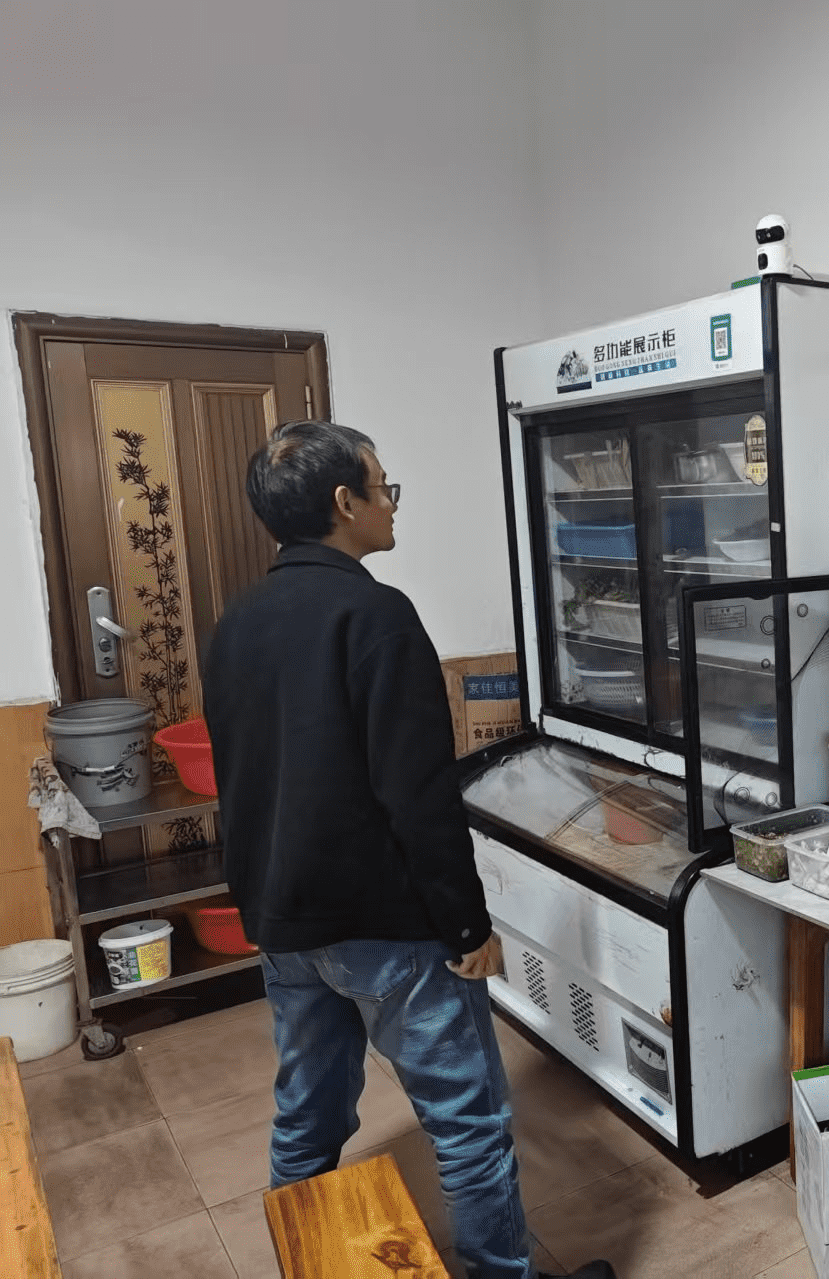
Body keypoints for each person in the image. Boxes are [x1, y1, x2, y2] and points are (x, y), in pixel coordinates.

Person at [204, 420, 613, 1279]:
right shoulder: (377, 616)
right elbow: (419, 795)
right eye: (383, 486)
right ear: (344, 501)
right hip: (387, 928)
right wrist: (467, 927)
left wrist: (258, 905)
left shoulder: (236, 621)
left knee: (307, 1117)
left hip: (284, 922)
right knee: (468, 1125)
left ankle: (307, 1265)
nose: (392, 503)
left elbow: (240, 776)